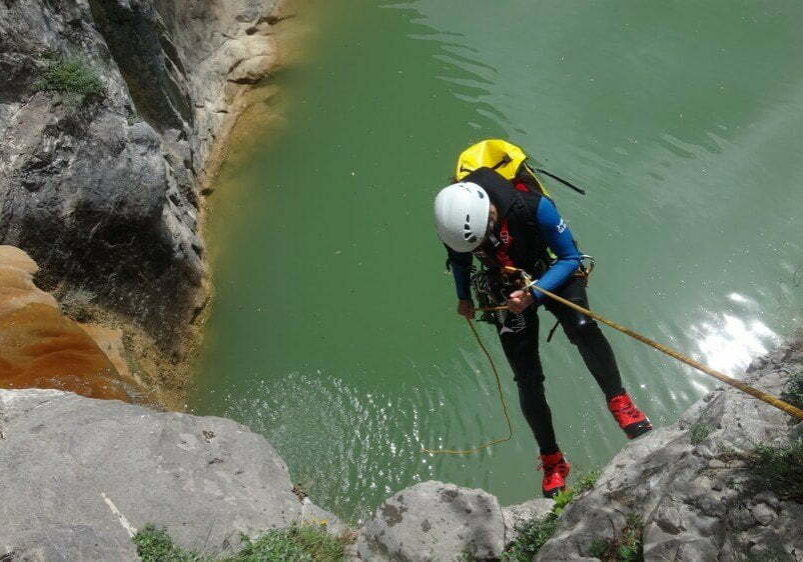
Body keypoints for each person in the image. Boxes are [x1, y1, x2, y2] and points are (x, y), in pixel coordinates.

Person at [433, 140, 652, 497]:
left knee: (582, 326)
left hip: (551, 269)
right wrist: (463, 298)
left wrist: (534, 293)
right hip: (503, 283)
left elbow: (570, 257)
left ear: (488, 212)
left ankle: (618, 399)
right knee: (526, 376)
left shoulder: (536, 207)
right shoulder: (455, 226)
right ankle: (552, 458)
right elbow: (459, 260)